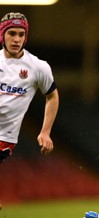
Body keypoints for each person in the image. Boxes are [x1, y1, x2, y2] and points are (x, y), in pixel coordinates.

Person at [0, 12, 59, 163]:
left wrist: (45, 132)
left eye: (21, 34)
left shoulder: (38, 67)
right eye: (12, 33)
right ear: (2, 35)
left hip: (4, 138)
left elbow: (52, 96)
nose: (16, 39)